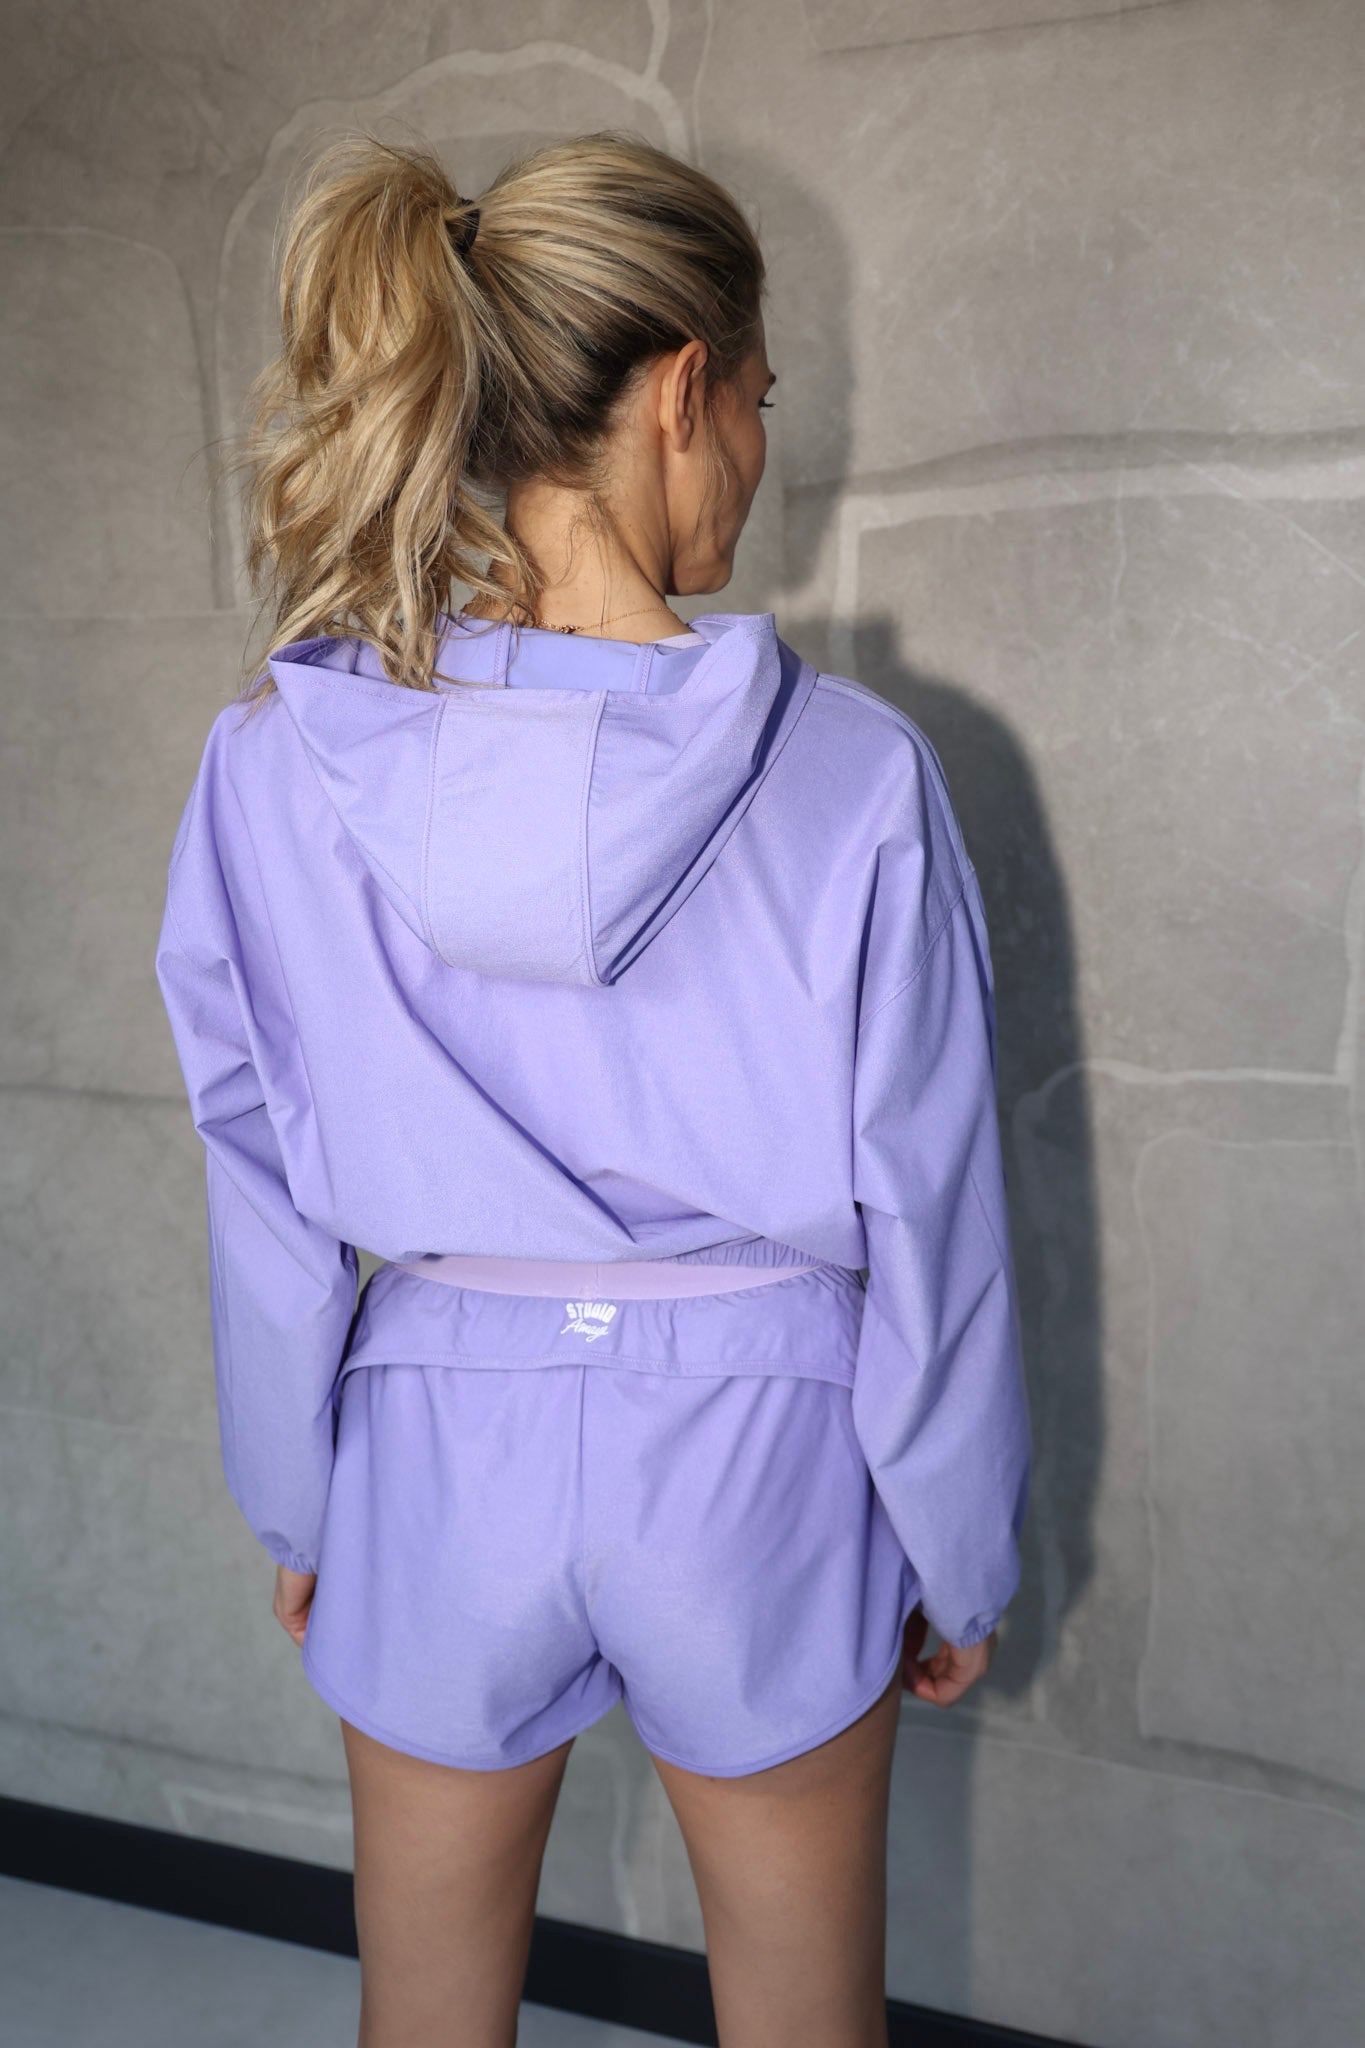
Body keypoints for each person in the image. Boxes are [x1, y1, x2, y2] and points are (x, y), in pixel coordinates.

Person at [155, 128, 1032, 2048]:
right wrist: (956, 1544)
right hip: (763, 1446)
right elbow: (931, 1203)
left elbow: (257, 1166)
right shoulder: (856, 774)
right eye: (761, 401)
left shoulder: (276, 761)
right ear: (681, 390)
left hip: (432, 1434)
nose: (761, 451)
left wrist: (301, 1501)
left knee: (422, 2020)